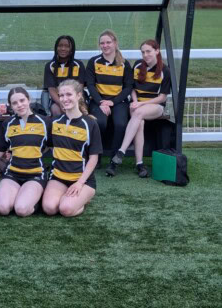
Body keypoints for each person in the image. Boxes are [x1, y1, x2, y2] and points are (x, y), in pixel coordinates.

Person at [111, 39, 171, 178]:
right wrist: (136, 101)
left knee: (138, 113)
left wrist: (141, 104)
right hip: (137, 104)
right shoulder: (138, 65)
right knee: (140, 122)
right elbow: (131, 88)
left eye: (148, 51)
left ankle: (121, 151)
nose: (145, 55)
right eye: (143, 52)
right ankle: (139, 164)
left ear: (157, 51)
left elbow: (162, 97)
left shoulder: (165, 70)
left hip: (155, 106)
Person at [42, 79, 102, 217]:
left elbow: (94, 158)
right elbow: (47, 147)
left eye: (69, 94)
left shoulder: (90, 124)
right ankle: (68, 197)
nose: (64, 99)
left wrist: (80, 183)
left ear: (79, 95)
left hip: (82, 179)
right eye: (61, 95)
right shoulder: (55, 122)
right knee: (49, 208)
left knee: (66, 209)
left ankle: (83, 198)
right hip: (58, 176)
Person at [0, 87, 51, 217]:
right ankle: (22, 194)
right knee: (2, 208)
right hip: (12, 173)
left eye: (22, 100)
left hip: (35, 174)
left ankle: (36, 199)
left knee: (21, 209)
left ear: (28, 99)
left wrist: (33, 152)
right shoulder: (7, 124)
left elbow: (51, 146)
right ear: (11, 106)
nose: (19, 105)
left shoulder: (45, 122)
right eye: (14, 103)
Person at [86, 29, 133, 176]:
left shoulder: (124, 64)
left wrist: (113, 102)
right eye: (102, 43)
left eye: (108, 42)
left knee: (120, 124)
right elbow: (90, 85)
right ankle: (96, 158)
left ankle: (114, 161)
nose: (105, 45)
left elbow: (128, 87)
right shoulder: (94, 61)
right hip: (98, 100)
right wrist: (101, 102)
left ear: (115, 43)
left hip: (118, 101)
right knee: (99, 122)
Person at [43, 35, 86, 116]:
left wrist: (72, 102)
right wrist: (61, 103)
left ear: (71, 49)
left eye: (67, 46)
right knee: (57, 111)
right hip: (58, 100)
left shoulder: (78, 65)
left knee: (81, 111)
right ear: (56, 48)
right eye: (60, 46)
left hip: (76, 99)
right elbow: (51, 89)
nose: (63, 48)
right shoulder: (50, 66)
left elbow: (80, 87)